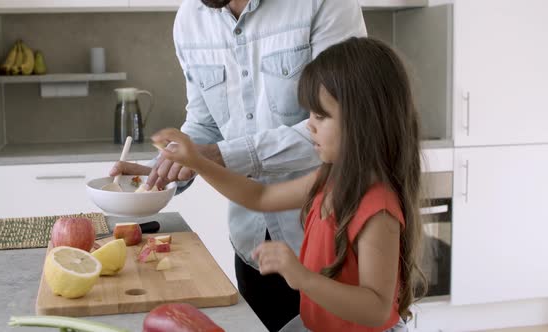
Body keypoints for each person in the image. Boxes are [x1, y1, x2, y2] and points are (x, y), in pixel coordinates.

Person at [110, 1, 367, 330]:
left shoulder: (323, 4)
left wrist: (213, 156)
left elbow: (343, 121)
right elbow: (205, 124)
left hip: (328, 248)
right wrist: (164, 168)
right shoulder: (191, 19)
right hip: (254, 249)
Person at [151, 37, 427, 331]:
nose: (309, 124)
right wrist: (198, 162)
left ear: (364, 120)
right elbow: (260, 196)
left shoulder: (377, 208)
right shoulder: (332, 178)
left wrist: (302, 277)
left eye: (321, 115)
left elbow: (375, 309)